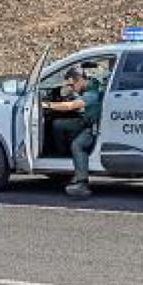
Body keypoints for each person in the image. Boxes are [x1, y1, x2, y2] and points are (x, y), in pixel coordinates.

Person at [42, 67, 103, 199]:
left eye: (72, 84)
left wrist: (47, 105)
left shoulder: (93, 91)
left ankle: (82, 183)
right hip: (85, 121)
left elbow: (72, 106)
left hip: (92, 128)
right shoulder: (90, 85)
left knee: (77, 145)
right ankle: (63, 157)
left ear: (80, 80)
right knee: (57, 125)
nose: (72, 88)